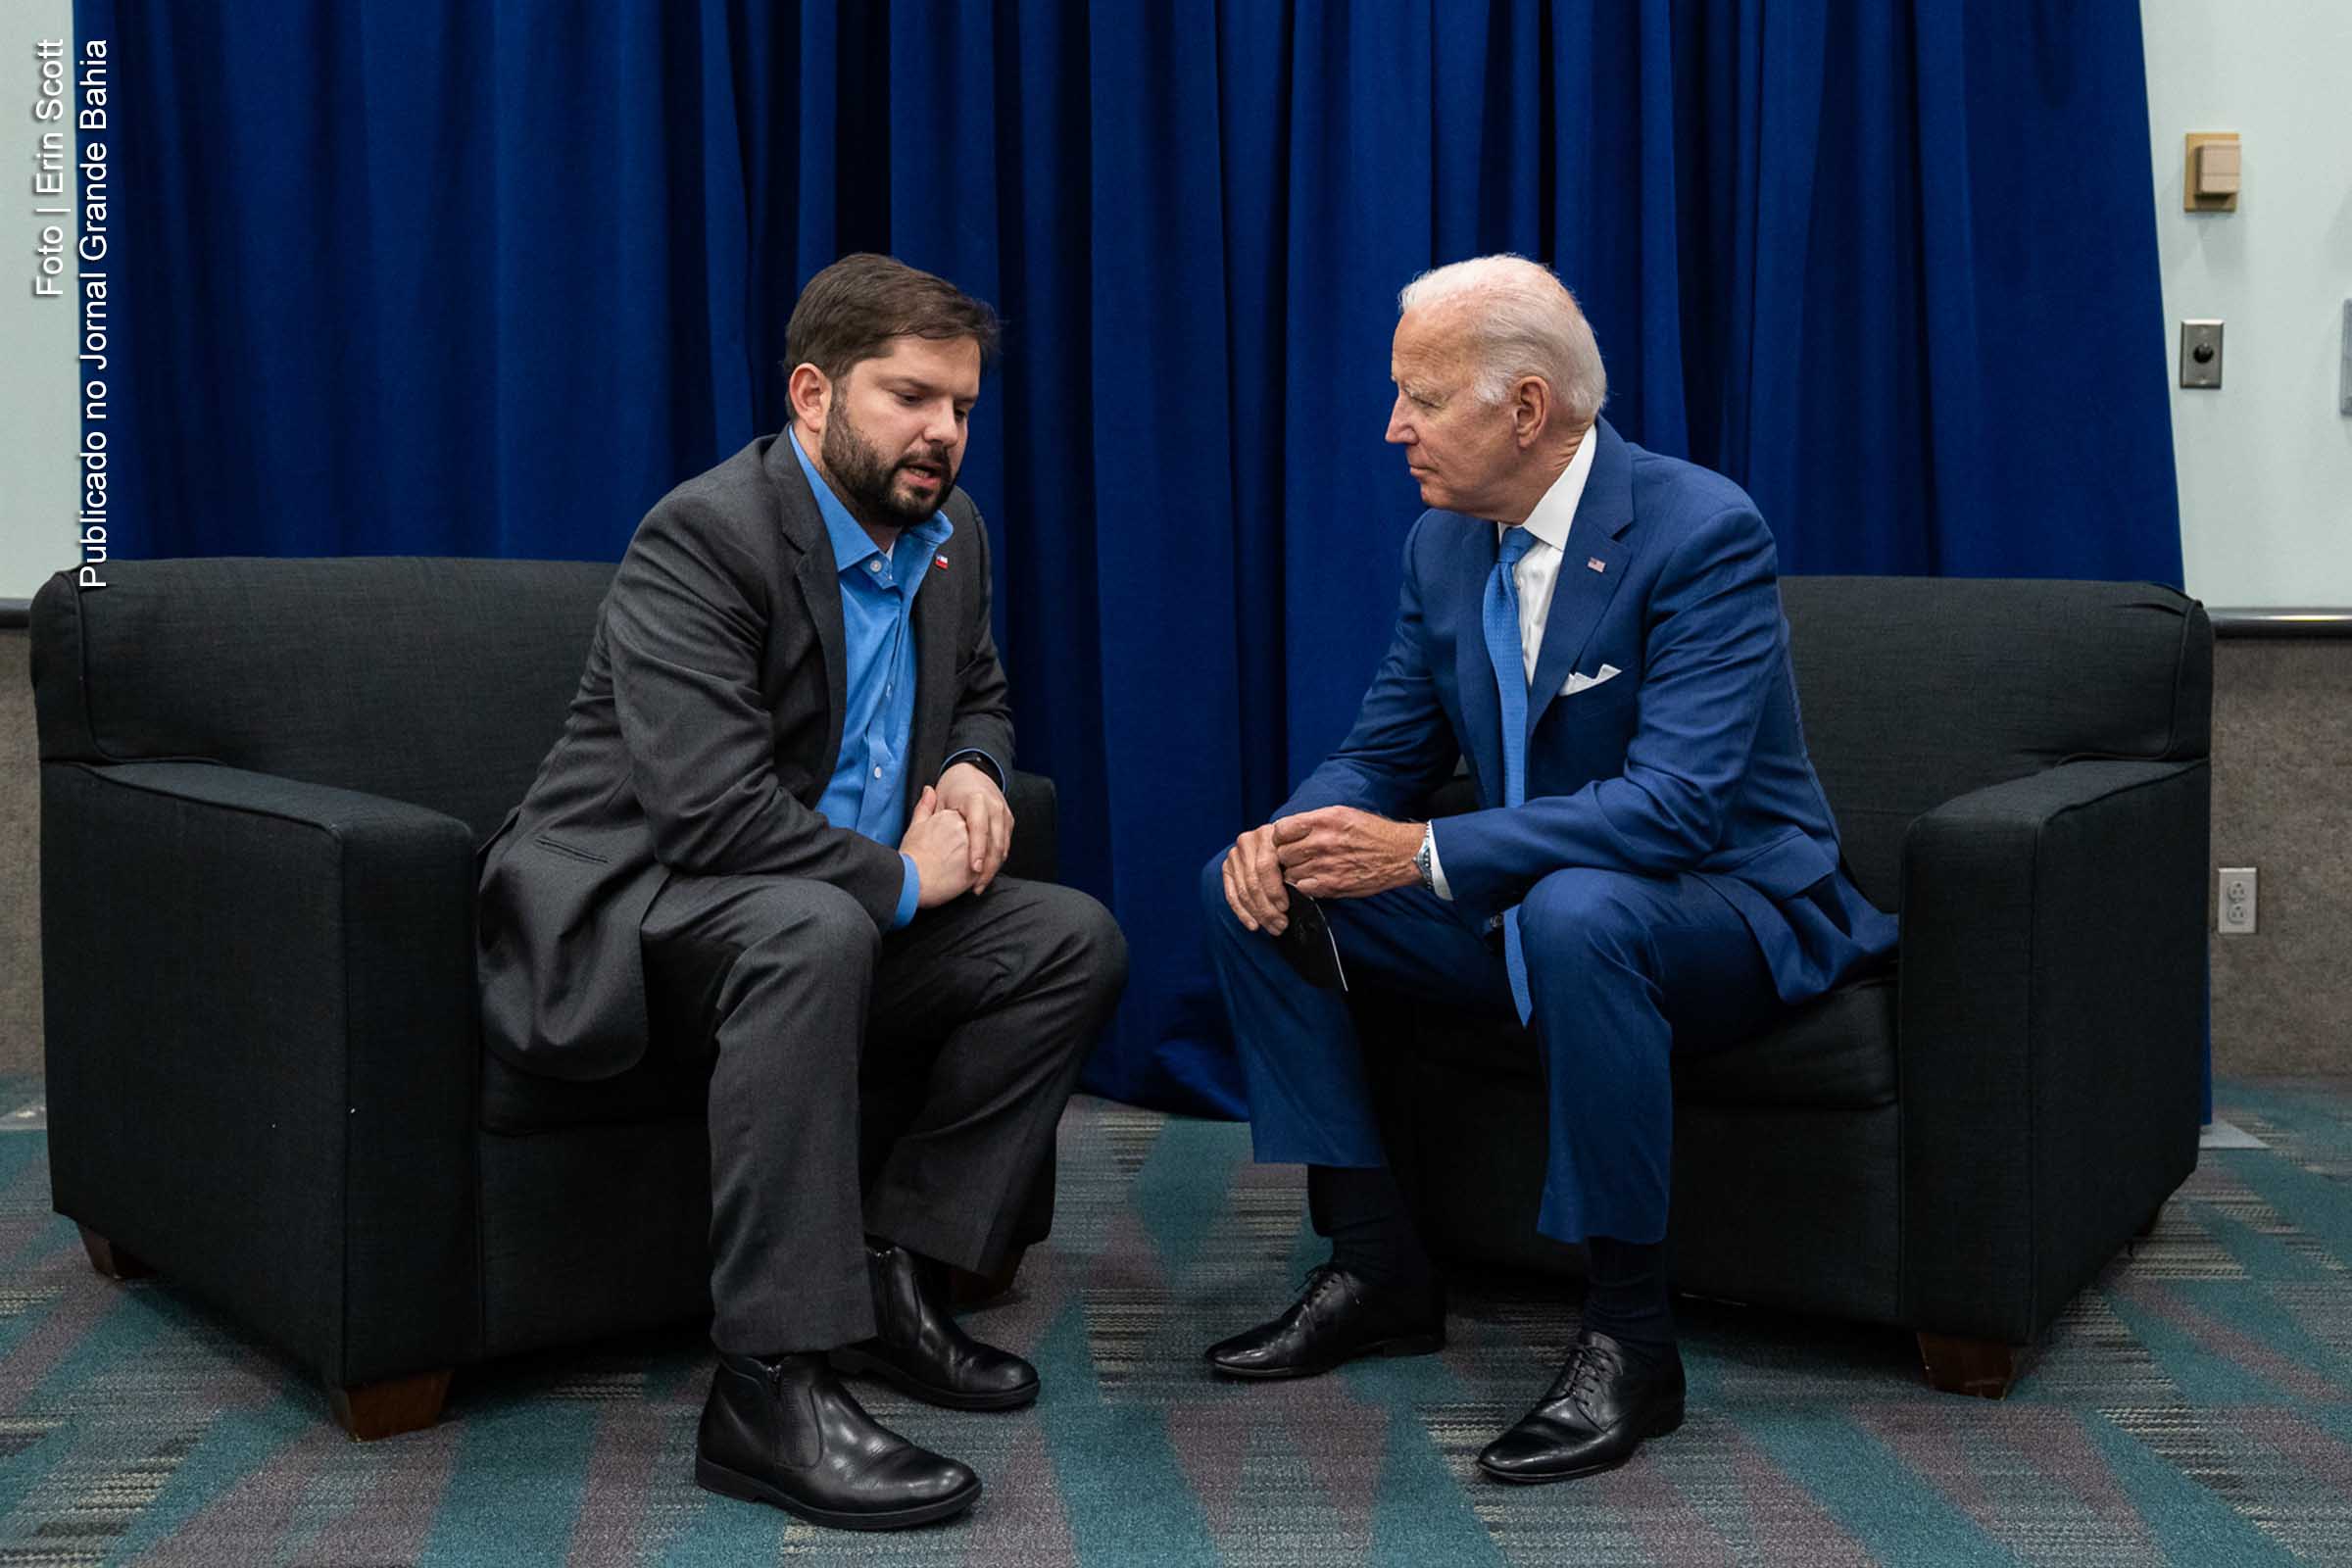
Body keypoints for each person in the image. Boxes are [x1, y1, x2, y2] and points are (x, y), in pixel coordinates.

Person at [1199, 254, 1895, 1484]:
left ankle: (1632, 1341)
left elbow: (1677, 809)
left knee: (1579, 914)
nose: (1392, 425)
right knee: (1249, 892)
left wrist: (1422, 853)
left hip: (1726, 903)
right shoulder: (1443, 546)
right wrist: (1295, 836)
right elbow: (1384, 750)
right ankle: (1377, 1264)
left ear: (1522, 409)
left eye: (1419, 396)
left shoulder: (1699, 530)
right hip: (1530, 891)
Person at [476, 253, 1126, 1531]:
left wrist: (973, 769)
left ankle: (897, 1276)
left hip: (820, 918)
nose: (942, 431)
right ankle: (768, 1388)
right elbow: (708, 816)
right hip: (646, 908)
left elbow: (983, 692)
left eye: (962, 406)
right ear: (814, 393)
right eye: (911, 397)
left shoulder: (952, 539)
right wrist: (902, 873)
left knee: (1069, 940)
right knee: (814, 924)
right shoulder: (706, 537)